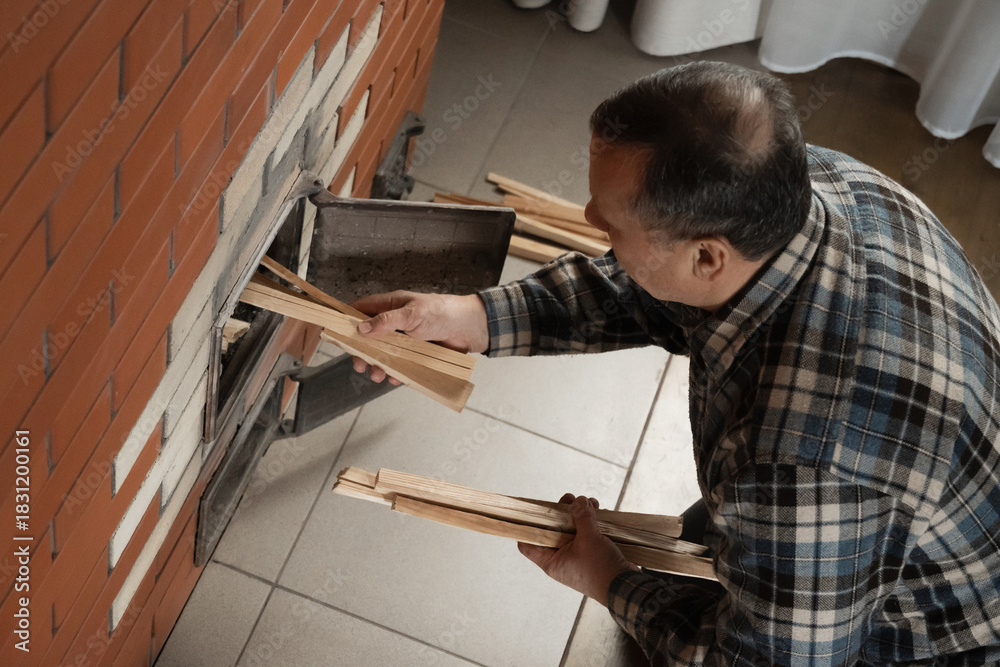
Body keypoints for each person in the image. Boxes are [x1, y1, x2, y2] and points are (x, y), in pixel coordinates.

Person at [350, 62, 1000, 665]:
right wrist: (476, 318)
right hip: (898, 511)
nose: (587, 218)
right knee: (706, 551)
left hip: (933, 631)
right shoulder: (812, 184)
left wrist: (610, 581)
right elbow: (651, 285)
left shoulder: (799, 469)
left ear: (708, 257)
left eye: (611, 227)